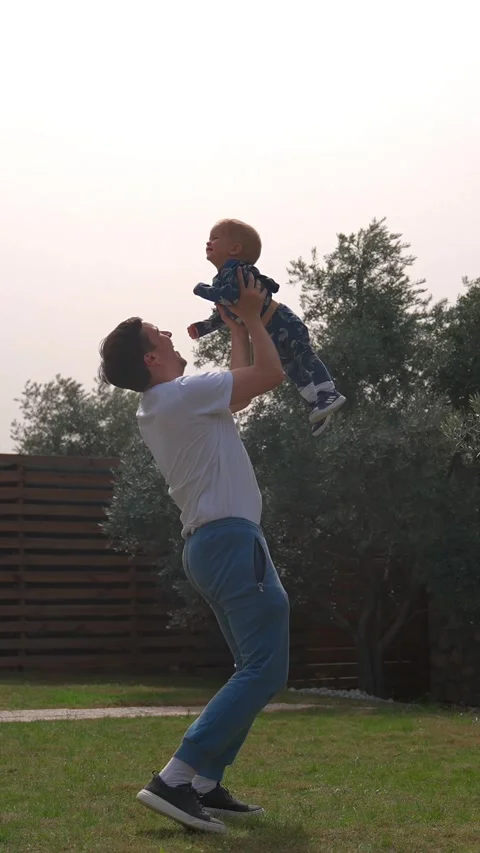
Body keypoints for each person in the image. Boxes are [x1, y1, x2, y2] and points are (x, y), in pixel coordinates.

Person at [99, 270, 290, 836]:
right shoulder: (180, 396)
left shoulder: (170, 404)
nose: (173, 338)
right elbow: (271, 375)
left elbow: (239, 388)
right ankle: (176, 778)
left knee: (251, 667)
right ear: (151, 358)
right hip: (231, 541)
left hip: (213, 545)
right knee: (264, 669)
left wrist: (235, 329)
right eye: (162, 335)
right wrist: (254, 315)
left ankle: (203, 784)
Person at [188, 218, 346, 437]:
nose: (209, 242)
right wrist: (204, 327)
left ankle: (328, 392)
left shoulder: (237, 272)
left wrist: (201, 290)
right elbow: (228, 312)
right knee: (292, 369)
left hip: (282, 321)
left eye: (215, 238)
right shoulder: (222, 278)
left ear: (235, 249)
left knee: (304, 356)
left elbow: (230, 296)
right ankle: (316, 403)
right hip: (268, 332)